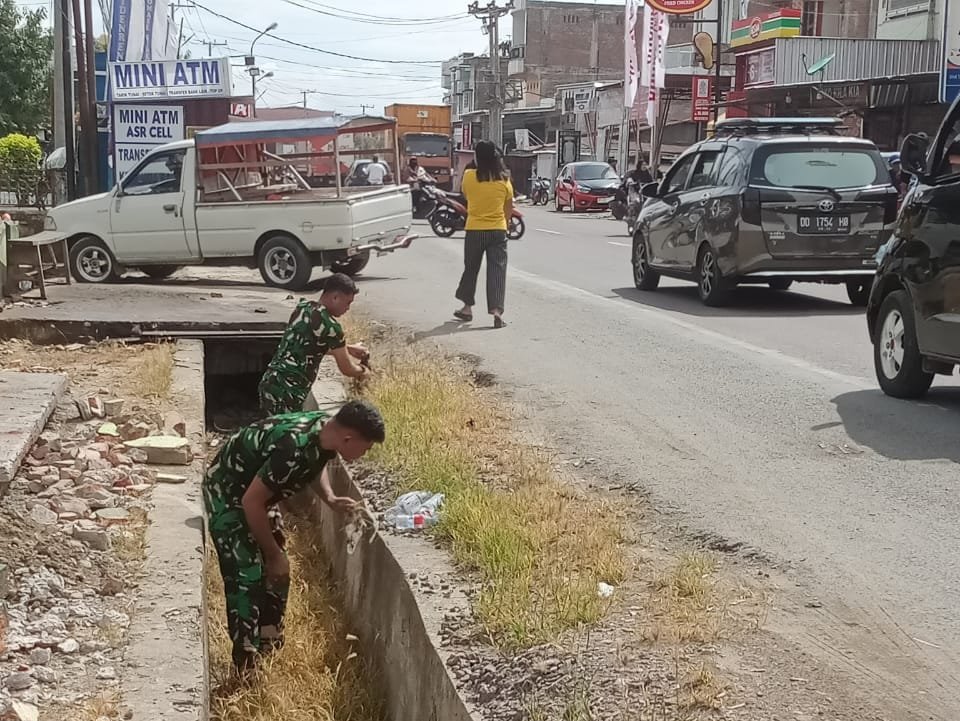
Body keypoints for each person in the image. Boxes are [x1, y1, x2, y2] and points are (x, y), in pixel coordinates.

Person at [203, 400, 386, 671]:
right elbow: (251, 502)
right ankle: (246, 664)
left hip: (255, 491)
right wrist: (272, 554)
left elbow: (316, 462)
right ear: (348, 438)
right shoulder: (293, 447)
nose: (365, 454)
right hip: (228, 492)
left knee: (278, 573)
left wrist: (330, 498)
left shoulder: (327, 432)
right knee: (247, 575)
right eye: (366, 447)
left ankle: (269, 647)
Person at [258, 273, 369, 417]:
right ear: (335, 297)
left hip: (271, 382)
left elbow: (308, 344)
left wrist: (349, 349)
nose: (348, 308)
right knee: (289, 430)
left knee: (275, 428)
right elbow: (347, 369)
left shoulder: (303, 308)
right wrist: (363, 371)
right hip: (290, 391)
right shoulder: (331, 327)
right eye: (348, 303)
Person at [453, 140, 513, 329]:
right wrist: (506, 225)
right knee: (497, 270)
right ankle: (496, 312)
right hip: (498, 230)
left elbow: (466, 195)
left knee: (471, 268)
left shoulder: (469, 176)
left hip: (474, 229)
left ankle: (467, 308)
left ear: (477, 157)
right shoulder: (504, 179)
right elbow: (508, 208)